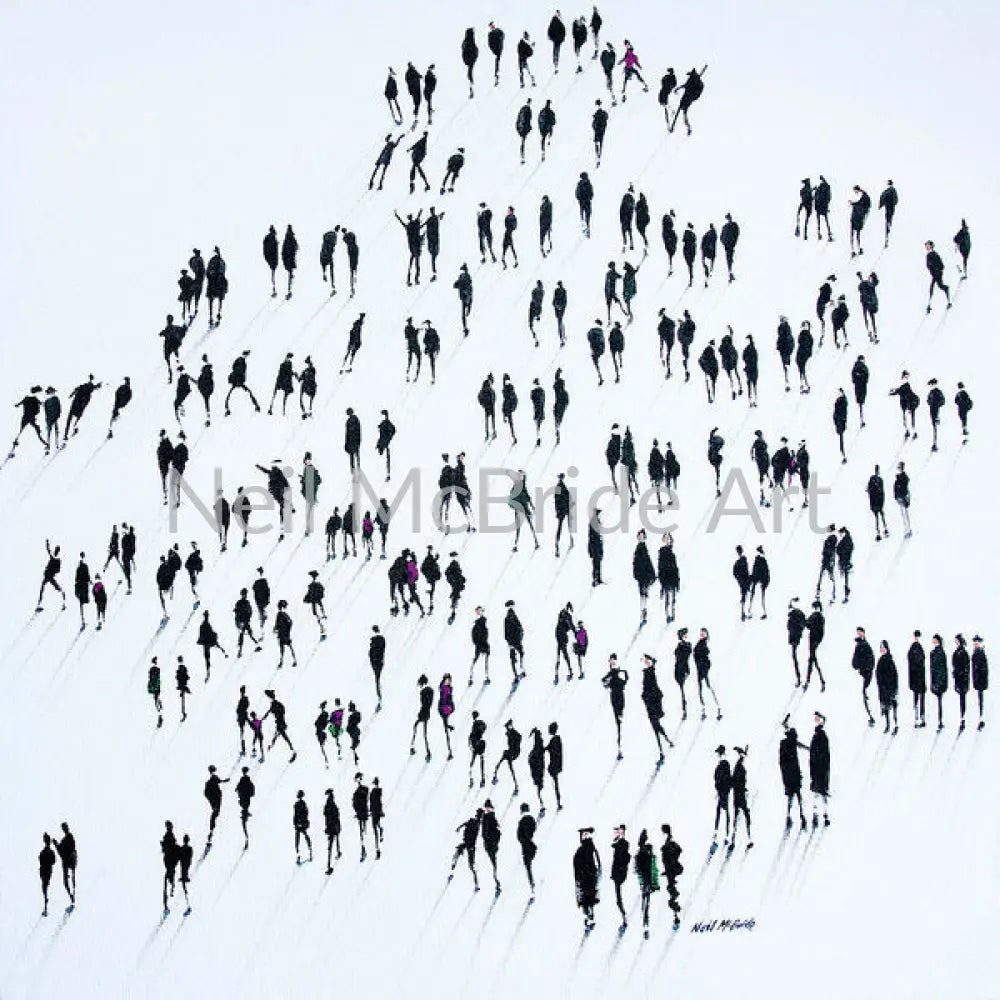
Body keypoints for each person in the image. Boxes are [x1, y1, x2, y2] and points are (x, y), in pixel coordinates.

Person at [640, 654, 673, 762]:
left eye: (647, 660)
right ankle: (667, 741)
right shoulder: (647, 672)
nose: (645, 662)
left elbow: (652, 687)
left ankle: (661, 751)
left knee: (655, 727)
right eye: (645, 660)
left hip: (652, 703)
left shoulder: (650, 672)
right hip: (651, 703)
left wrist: (646, 696)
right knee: (657, 726)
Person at [779, 721, 807, 831]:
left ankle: (789, 816)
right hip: (794, 774)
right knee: (798, 796)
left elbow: (781, 763)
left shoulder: (784, 743)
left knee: (791, 798)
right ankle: (801, 816)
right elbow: (800, 744)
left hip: (789, 775)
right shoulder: (792, 743)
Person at [573, 828, 602, 931]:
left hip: (589, 879)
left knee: (588, 900)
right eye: (583, 835)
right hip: (584, 880)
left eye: (586, 834)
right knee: (585, 901)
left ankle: (590, 917)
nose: (584, 836)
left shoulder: (592, 850)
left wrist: (595, 876)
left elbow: (598, 865)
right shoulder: (580, 851)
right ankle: (588, 917)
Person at [602, 655, 629, 759]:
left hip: (617, 695)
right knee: (619, 720)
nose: (611, 662)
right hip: (616, 696)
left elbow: (625, 679)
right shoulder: (613, 674)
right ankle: (620, 747)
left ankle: (620, 747)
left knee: (619, 719)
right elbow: (604, 681)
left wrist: (607, 684)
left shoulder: (617, 673)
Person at [670, 65, 707, 135]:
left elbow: (685, 85)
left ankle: (677, 127)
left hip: (687, 97)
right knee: (682, 111)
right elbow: (686, 85)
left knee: (682, 111)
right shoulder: (696, 79)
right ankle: (681, 127)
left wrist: (678, 89)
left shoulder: (693, 79)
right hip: (689, 97)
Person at [450, 810, 482, 889]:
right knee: (469, 864)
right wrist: (459, 828)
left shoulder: (476, 822)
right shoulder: (476, 822)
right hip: (469, 845)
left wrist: (459, 828)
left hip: (469, 845)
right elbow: (465, 824)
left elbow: (465, 824)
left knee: (469, 864)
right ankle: (451, 872)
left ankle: (476, 884)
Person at [809, 713, 831, 827]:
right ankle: (825, 815)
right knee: (823, 794)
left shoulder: (816, 738)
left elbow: (812, 757)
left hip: (817, 770)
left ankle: (816, 815)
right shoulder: (823, 738)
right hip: (823, 770)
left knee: (817, 794)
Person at [660, 825, 683, 928]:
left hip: (671, 871)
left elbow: (678, 850)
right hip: (670, 870)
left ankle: (676, 918)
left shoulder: (669, 843)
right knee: (671, 891)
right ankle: (676, 915)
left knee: (671, 891)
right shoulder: (669, 842)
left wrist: (674, 861)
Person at [853, 627, 877, 726]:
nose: (859, 634)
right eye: (858, 633)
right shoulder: (859, 644)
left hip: (866, 673)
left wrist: (864, 668)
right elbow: (855, 659)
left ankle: (871, 716)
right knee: (864, 695)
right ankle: (870, 716)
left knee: (866, 694)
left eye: (860, 632)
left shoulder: (864, 645)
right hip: (862, 673)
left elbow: (870, 659)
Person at [491, 719, 522, 794]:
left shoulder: (515, 734)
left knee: (510, 767)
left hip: (514, 752)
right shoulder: (510, 733)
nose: (506, 729)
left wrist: (514, 744)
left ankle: (516, 786)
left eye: (507, 727)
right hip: (510, 751)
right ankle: (495, 776)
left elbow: (518, 740)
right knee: (505, 764)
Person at [731, 747, 753, 849]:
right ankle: (749, 837)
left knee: (736, 816)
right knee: (746, 815)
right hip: (740, 794)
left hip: (737, 794)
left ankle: (733, 840)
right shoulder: (741, 768)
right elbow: (740, 781)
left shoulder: (737, 767)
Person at [877, 640, 900, 735]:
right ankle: (887, 725)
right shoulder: (880, 661)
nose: (882, 649)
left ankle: (895, 725)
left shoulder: (890, 661)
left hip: (890, 689)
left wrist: (894, 689)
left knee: (893, 707)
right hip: (883, 689)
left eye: (884, 647)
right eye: (881, 648)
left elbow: (895, 676)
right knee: (886, 708)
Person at [610, 825, 631, 929]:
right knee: (618, 899)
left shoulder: (623, 844)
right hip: (617, 874)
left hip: (619, 874)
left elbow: (625, 858)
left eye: (619, 831)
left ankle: (624, 919)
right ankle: (624, 918)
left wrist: (620, 870)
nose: (616, 833)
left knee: (619, 900)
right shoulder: (619, 844)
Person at [925, 240, 952, 313]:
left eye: (927, 245)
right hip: (934, 274)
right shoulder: (928, 255)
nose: (926, 247)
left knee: (938, 286)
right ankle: (929, 305)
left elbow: (941, 265)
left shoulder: (934, 254)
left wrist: (937, 270)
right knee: (936, 287)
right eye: (926, 245)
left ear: (931, 246)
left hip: (937, 274)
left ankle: (948, 301)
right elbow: (929, 266)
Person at [805, 601, 826, 691]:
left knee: (813, 660)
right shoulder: (821, 617)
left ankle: (820, 680)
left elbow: (807, 625)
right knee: (812, 659)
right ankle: (811, 680)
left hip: (813, 640)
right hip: (816, 640)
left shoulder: (815, 616)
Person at [517, 804, 538, 897]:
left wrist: (523, 840)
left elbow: (519, 836)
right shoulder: (532, 819)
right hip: (532, 845)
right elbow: (534, 828)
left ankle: (532, 884)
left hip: (526, 847)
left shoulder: (521, 821)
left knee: (528, 867)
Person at [712, 746, 731, 845]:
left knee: (722, 812)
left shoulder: (723, 763)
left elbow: (720, 778)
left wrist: (720, 789)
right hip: (723, 791)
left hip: (723, 791)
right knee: (722, 812)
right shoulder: (724, 763)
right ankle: (722, 833)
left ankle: (722, 834)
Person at [55, 822, 77, 907]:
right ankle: (72, 896)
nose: (64, 829)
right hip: (67, 861)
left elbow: (63, 851)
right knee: (67, 882)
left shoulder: (69, 838)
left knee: (69, 880)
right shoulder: (66, 839)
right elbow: (61, 850)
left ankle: (73, 895)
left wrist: (57, 845)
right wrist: (56, 844)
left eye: (65, 827)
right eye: (63, 828)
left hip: (69, 861)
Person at [953, 634, 971, 731]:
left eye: (957, 641)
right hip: (958, 680)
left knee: (963, 699)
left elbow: (966, 668)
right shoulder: (956, 653)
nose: (956, 643)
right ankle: (962, 718)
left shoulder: (964, 653)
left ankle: (963, 718)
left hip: (962, 680)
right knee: (961, 699)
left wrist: (960, 674)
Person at [848, 185, 871, 257]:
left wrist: (852, 203)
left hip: (857, 217)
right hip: (858, 217)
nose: (855, 192)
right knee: (857, 234)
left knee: (853, 234)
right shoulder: (864, 196)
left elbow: (859, 204)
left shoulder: (862, 197)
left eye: (855, 191)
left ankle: (854, 250)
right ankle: (857, 249)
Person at [323, 789, 342, 873]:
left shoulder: (328, 806)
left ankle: (329, 865)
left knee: (330, 846)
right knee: (336, 840)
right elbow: (336, 816)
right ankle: (338, 852)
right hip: (334, 827)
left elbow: (327, 817)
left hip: (331, 827)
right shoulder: (333, 806)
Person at [236, 767, 255, 848]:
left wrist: (240, 793)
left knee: (244, 814)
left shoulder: (241, 781)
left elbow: (237, 789)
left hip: (243, 800)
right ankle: (246, 836)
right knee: (245, 809)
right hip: (246, 800)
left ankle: (246, 835)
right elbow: (252, 792)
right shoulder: (249, 781)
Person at [972, 636, 988, 730]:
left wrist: (980, 679)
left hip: (980, 681)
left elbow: (983, 669)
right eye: (974, 643)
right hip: (977, 681)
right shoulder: (975, 653)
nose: (975, 644)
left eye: (977, 643)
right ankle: (980, 718)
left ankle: (981, 719)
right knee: (979, 700)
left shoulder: (981, 653)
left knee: (981, 700)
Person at [293, 790, 313, 864]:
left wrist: (296, 823)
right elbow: (305, 814)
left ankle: (299, 855)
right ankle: (309, 850)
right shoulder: (303, 804)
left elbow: (296, 815)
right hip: (302, 824)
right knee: (304, 837)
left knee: (298, 840)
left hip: (300, 824)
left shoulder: (297, 804)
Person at [439, 673, 456, 759]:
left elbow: (448, 699)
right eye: (446, 680)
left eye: (449, 680)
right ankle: (450, 751)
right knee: (445, 728)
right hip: (444, 708)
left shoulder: (447, 688)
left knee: (446, 728)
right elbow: (443, 699)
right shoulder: (443, 688)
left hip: (447, 708)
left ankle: (450, 751)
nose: (448, 681)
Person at [39, 833, 56, 916]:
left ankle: (45, 904)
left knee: (44, 887)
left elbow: (41, 861)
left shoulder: (43, 852)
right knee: (45, 886)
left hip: (44, 871)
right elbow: (53, 861)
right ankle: (45, 902)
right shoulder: (51, 852)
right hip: (48, 870)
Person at [878, 180, 898, 247]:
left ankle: (887, 236)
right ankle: (888, 234)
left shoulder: (886, 191)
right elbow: (896, 200)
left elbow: (882, 198)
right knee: (889, 220)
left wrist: (880, 205)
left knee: (887, 221)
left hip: (888, 208)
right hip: (891, 208)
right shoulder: (893, 191)